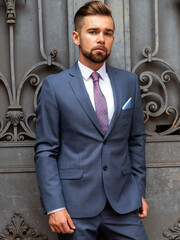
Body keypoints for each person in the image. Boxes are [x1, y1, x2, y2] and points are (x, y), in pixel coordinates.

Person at [34, 1, 148, 239]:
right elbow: (46, 150)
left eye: (108, 33)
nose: (101, 39)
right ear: (77, 37)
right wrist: (55, 206)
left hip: (124, 205)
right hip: (74, 208)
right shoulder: (55, 87)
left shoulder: (128, 82)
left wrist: (137, 191)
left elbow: (136, 139)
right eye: (93, 32)